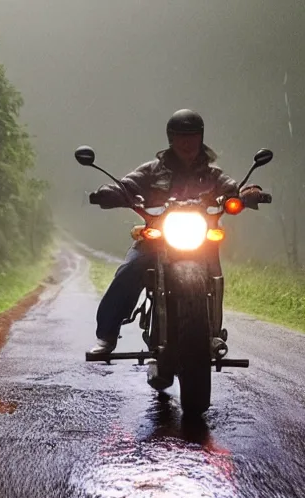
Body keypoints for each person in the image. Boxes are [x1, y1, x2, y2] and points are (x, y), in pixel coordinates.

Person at [88, 109, 268, 355]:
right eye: (181, 136)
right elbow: (127, 185)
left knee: (215, 273)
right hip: (157, 238)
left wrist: (250, 193)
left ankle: (214, 334)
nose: (187, 142)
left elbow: (232, 188)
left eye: (192, 136)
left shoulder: (212, 174)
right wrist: (108, 192)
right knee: (130, 270)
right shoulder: (152, 170)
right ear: (170, 138)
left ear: (201, 137)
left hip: (199, 240)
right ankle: (107, 336)